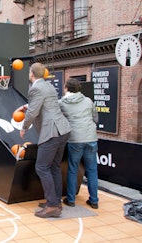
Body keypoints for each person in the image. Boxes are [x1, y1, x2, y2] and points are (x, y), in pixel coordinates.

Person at [19, 62, 71, 218]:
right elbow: (45, 106)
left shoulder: (35, 88)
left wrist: (24, 127)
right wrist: (31, 108)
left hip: (52, 131)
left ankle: (52, 205)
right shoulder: (48, 86)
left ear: (32, 74)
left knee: (41, 167)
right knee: (54, 167)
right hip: (63, 130)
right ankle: (55, 202)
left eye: (29, 72)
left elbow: (34, 111)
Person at [59, 78, 99, 209]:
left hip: (75, 139)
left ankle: (71, 200)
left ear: (66, 88)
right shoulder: (88, 101)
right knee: (92, 170)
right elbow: (96, 119)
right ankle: (94, 201)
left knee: (73, 169)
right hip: (91, 138)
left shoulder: (62, 103)